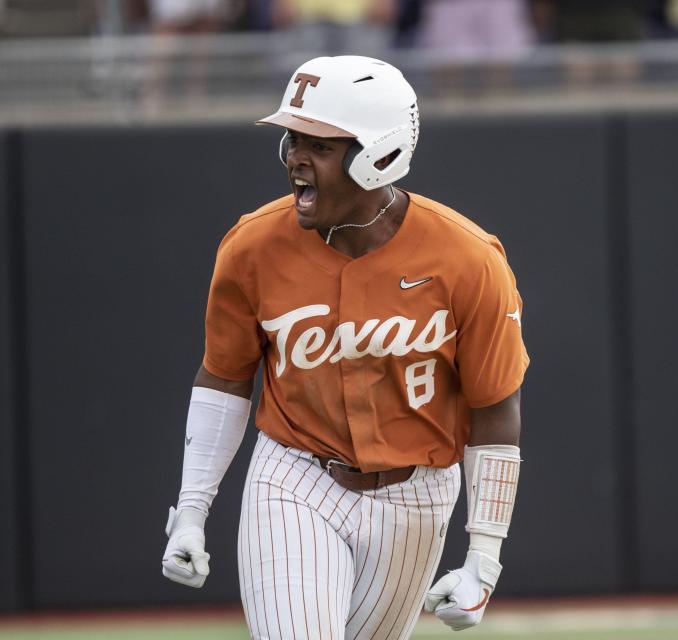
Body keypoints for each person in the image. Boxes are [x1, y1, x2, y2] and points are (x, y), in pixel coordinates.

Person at [160, 55, 529, 639]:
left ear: (380, 154)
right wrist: (191, 509)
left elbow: (495, 407)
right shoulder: (253, 245)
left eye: (322, 146)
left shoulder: (469, 258)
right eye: (293, 139)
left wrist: (484, 555)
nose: (295, 159)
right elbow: (225, 378)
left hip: (418, 495)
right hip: (294, 474)